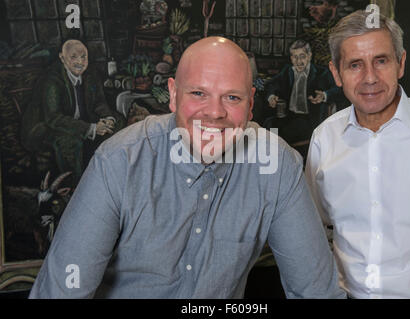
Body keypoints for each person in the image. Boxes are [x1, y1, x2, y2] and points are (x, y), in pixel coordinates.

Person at [29, 37, 345, 299]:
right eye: (198, 93)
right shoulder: (118, 161)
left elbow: (316, 292)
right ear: (173, 95)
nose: (215, 112)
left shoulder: (277, 165)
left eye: (231, 97)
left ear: (250, 105)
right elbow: (60, 292)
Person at [305, 10, 410, 299]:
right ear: (336, 73)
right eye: (355, 65)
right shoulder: (324, 138)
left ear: (401, 64)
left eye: (381, 61)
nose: (369, 78)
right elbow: (311, 230)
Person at [21, 39, 124, 184]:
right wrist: (91, 128)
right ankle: (76, 186)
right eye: (73, 57)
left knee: (117, 121)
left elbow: (99, 103)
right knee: (69, 140)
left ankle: (108, 177)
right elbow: (54, 118)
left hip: (76, 123)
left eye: (84, 57)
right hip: (44, 127)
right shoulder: (52, 79)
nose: (80, 62)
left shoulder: (91, 75)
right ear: (62, 58)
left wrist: (108, 118)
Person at [264, 39, 344, 146]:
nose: (299, 61)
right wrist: (271, 96)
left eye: (302, 56)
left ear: (309, 56)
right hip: (289, 116)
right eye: (295, 57)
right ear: (291, 58)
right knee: (268, 125)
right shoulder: (288, 71)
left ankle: (279, 153)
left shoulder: (322, 73)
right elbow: (271, 83)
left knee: (279, 136)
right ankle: (273, 155)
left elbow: (340, 89)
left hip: (309, 120)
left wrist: (324, 95)